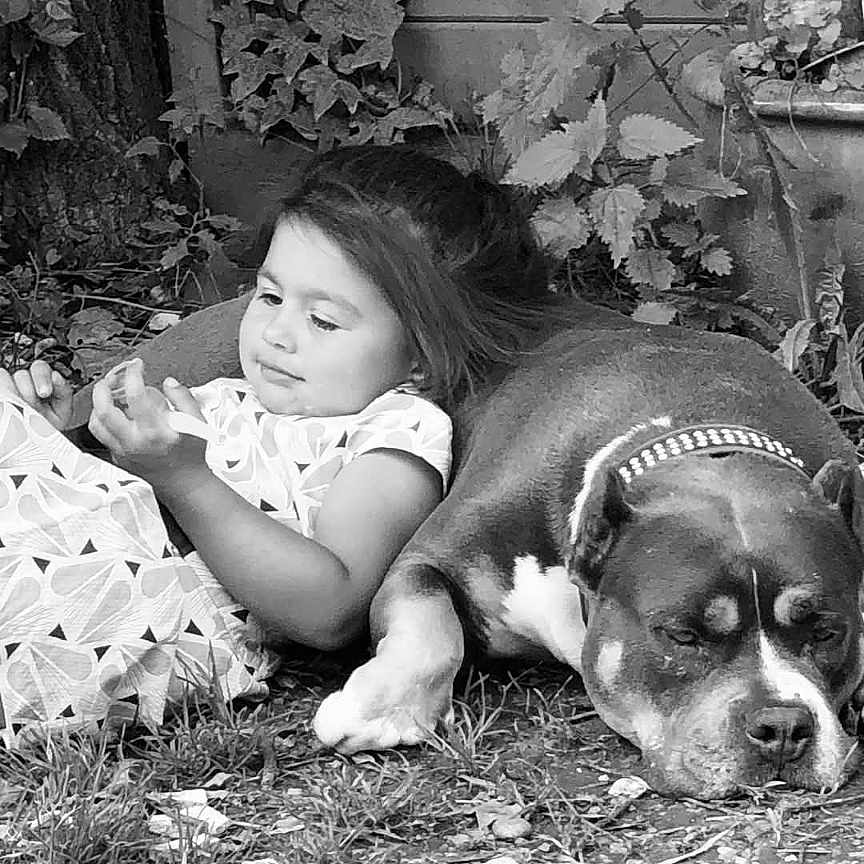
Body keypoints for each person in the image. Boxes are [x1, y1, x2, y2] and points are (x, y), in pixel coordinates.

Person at [0, 145, 550, 746]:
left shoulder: (394, 435)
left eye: (324, 321)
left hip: (144, 611)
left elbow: (331, 608)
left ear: (422, 355)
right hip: (81, 559)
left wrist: (185, 478)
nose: (277, 333)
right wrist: (58, 443)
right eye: (268, 296)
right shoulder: (232, 397)